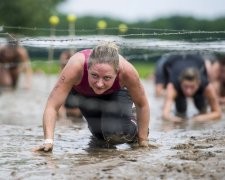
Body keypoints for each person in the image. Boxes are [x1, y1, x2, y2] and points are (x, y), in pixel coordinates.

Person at [34, 42, 150, 152]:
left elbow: (142, 104)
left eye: (107, 78)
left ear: (117, 72)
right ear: (87, 68)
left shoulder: (127, 71)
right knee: (100, 137)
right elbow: (52, 105)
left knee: (115, 134)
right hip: (85, 93)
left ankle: (132, 121)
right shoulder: (75, 67)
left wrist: (143, 140)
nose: (99, 84)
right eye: (94, 75)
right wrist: (48, 142)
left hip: (116, 93)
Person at [159, 53, 221, 122]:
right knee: (181, 111)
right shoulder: (173, 86)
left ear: (198, 83)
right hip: (172, 61)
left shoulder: (206, 86)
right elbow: (165, 115)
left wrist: (201, 118)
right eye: (186, 86)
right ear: (181, 82)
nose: (188, 91)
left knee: (202, 108)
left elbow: (218, 113)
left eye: (192, 87)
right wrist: (178, 120)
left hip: (197, 59)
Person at [58, 50, 82, 118]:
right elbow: (59, 107)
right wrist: (64, 119)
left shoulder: (81, 77)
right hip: (68, 113)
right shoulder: (61, 80)